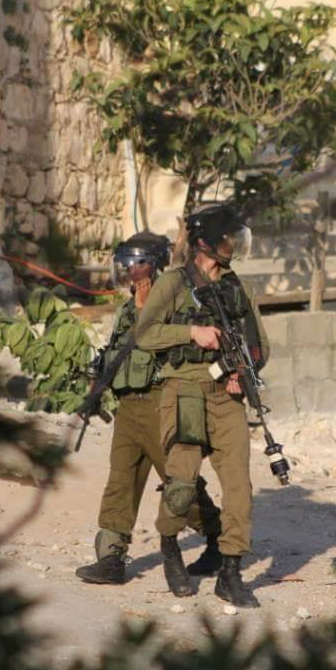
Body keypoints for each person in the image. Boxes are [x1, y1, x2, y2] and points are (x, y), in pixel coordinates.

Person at [134, 202, 269, 608]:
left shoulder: (238, 287)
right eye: (228, 238)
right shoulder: (174, 283)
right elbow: (145, 334)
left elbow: (260, 345)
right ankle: (170, 548)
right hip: (185, 389)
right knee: (181, 483)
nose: (234, 245)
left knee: (239, 487)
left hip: (228, 396)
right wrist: (192, 332)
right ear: (207, 242)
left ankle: (230, 572)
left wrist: (241, 371)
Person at [75, 232, 223, 586]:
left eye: (138, 263)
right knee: (120, 482)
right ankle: (111, 558)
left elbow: (172, 343)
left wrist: (148, 310)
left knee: (179, 483)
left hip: (162, 403)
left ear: (154, 265)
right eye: (126, 264)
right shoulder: (128, 307)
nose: (131, 271)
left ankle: (218, 538)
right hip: (128, 407)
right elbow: (119, 352)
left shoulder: (175, 299)